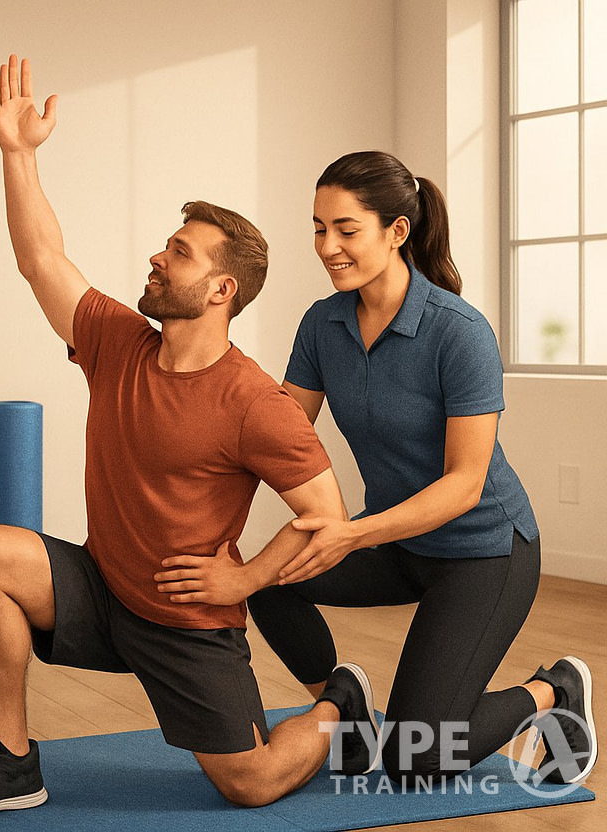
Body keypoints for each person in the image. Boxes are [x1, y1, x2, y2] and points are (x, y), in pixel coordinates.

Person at [0, 56, 377, 827]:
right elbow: (42, 260)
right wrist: (19, 155)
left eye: (180, 252)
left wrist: (245, 581)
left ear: (222, 290)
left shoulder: (255, 402)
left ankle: (338, 706)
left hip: (186, 618)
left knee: (250, 783)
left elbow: (327, 517)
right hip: (102, 586)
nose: (159, 256)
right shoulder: (118, 341)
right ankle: (12, 761)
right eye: (167, 243)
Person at [231, 150, 597, 786]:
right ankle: (343, 706)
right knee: (266, 579)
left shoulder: (460, 333)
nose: (328, 246)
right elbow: (280, 436)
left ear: (396, 231)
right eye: (319, 228)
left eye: (347, 230)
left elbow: (464, 484)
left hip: (484, 551)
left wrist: (349, 532)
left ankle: (555, 691)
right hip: (398, 539)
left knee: (417, 759)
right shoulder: (323, 324)